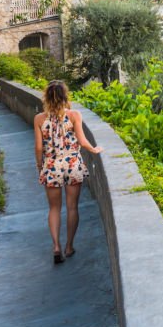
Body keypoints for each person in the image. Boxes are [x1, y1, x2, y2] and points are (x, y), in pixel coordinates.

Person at [34, 81, 102, 264]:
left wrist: (40, 166)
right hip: (72, 165)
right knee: (72, 207)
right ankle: (69, 246)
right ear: (65, 96)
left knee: (54, 208)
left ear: (47, 97)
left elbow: (39, 147)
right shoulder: (74, 115)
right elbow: (82, 140)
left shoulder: (39, 119)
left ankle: (56, 246)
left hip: (51, 165)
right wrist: (94, 149)